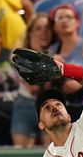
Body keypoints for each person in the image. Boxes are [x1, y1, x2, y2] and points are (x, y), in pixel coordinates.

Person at [11, 13, 57, 147]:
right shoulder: (20, 55)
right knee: (21, 156)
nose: (44, 32)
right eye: (38, 28)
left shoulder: (57, 53)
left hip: (49, 106)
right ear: (30, 32)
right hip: (25, 105)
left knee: (52, 155)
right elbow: (33, 88)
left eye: (48, 28)